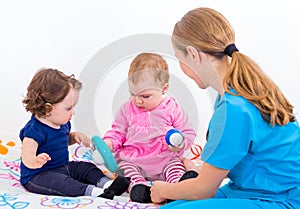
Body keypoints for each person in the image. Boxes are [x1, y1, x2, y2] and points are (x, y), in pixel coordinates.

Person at [150, 7, 300, 209]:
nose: (182, 68)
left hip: (281, 199)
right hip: (252, 190)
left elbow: (204, 190)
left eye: (180, 59)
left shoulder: (234, 108)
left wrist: (163, 189)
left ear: (193, 54)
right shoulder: (244, 89)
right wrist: (201, 172)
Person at [19, 68, 129, 199]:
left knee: (85, 168)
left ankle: (107, 184)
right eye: (68, 108)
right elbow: (27, 154)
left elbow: (61, 140)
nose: (73, 112)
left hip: (63, 166)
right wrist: (35, 161)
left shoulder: (62, 123)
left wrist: (74, 137)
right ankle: (94, 192)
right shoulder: (34, 130)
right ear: (48, 109)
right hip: (39, 175)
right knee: (64, 184)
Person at [102, 52, 197, 203]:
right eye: (133, 94)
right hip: (134, 160)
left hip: (164, 158)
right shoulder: (127, 109)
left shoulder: (172, 108)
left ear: (164, 89)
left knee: (175, 166)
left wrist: (180, 143)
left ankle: (178, 187)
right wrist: (108, 143)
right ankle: (139, 189)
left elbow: (187, 132)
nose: (137, 100)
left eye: (145, 96)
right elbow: (117, 132)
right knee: (127, 171)